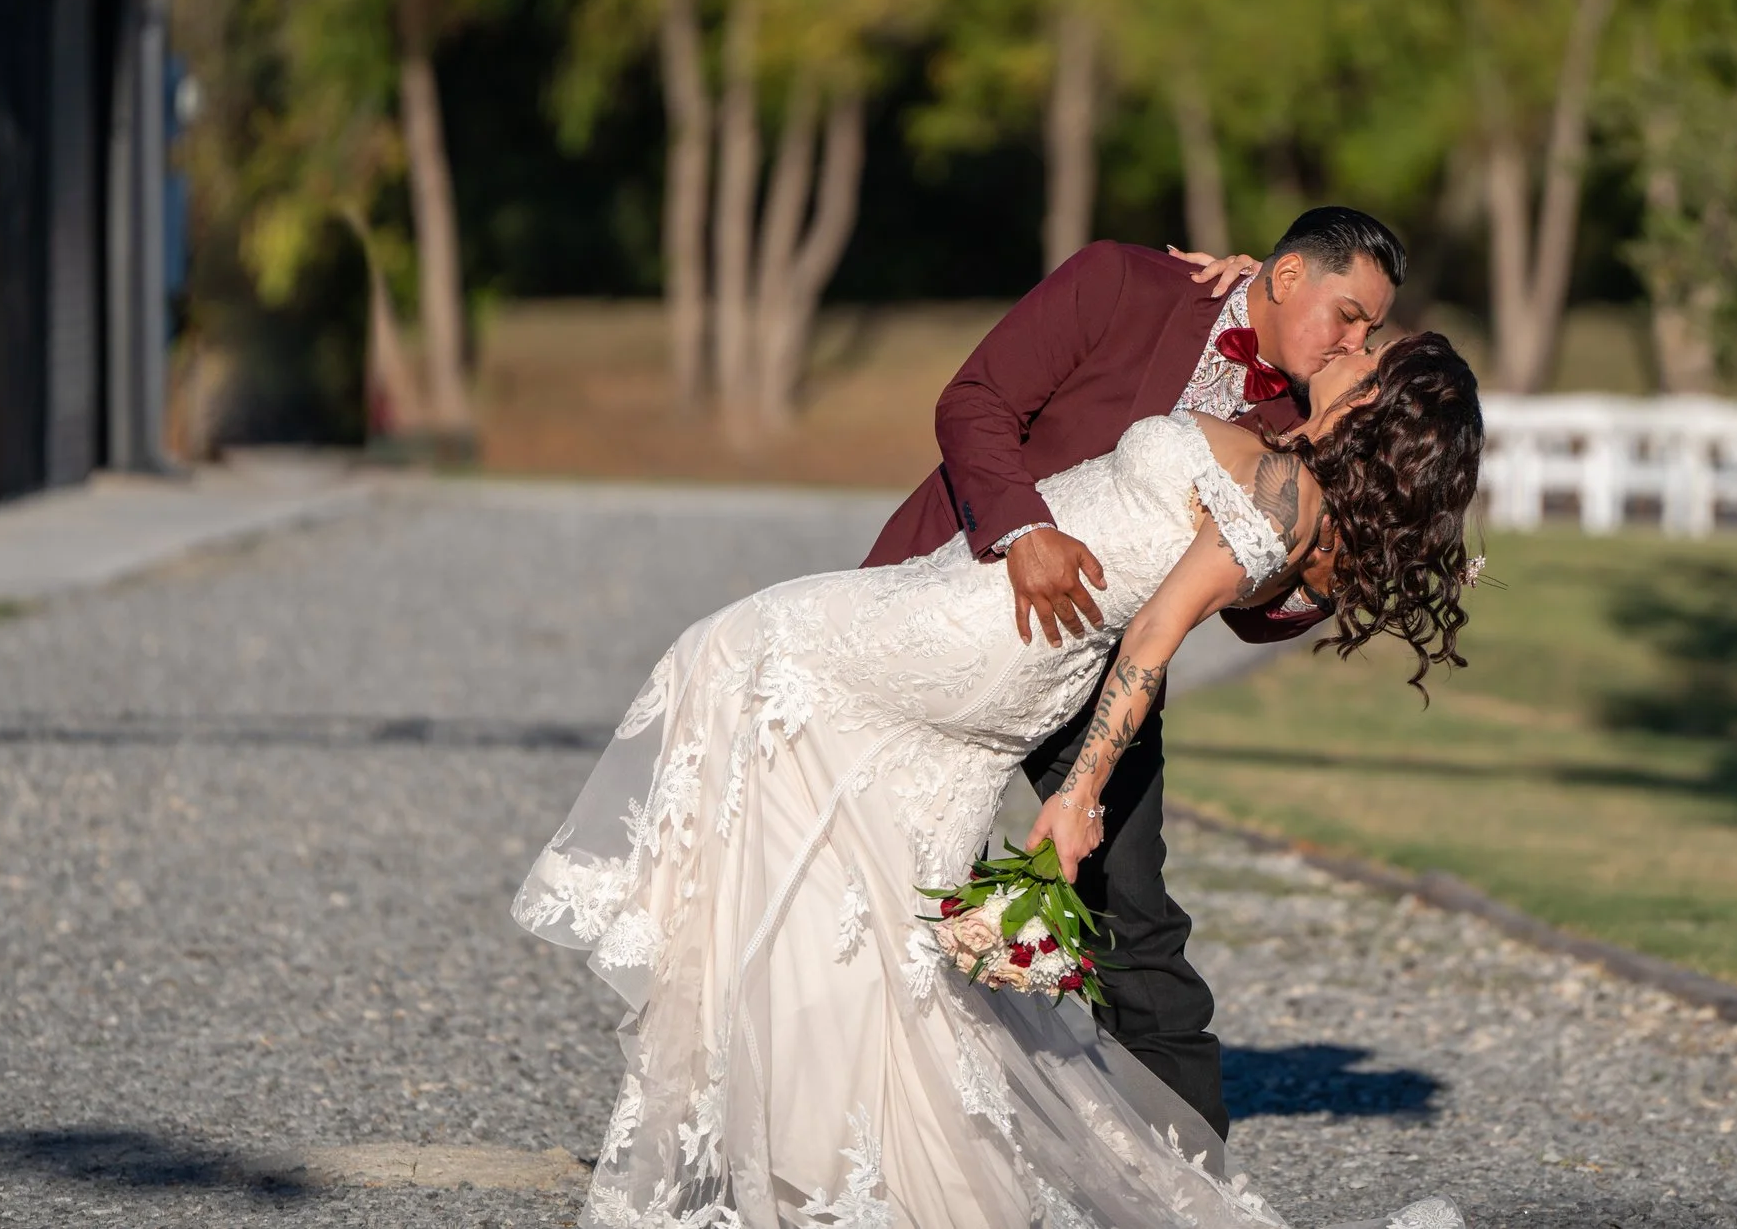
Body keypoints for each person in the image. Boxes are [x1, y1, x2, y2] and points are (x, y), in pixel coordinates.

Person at [514, 315, 1483, 1227]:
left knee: (734, 653)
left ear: (1375, 409)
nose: (1352, 344)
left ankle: (764, 1142)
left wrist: (1075, 797)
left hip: (975, 637)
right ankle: (859, 1176)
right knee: (879, 920)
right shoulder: (1286, 462)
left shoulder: (1288, 498)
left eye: (1370, 352)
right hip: (992, 648)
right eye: (1353, 327)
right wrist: (1245, 277)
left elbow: (1152, 638)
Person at [861, 207, 1410, 1140]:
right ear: (1282, 278)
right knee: (878, 874)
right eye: (1349, 315)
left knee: (1134, 915)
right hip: (955, 605)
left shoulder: (1304, 421)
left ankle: (1180, 1171)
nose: (1361, 342)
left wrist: (1345, 578)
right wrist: (1024, 530)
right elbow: (976, 401)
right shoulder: (1123, 280)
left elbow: (1249, 611)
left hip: (1107, 665)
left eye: (1373, 328)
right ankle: (862, 1117)